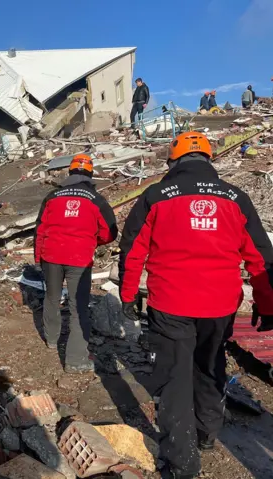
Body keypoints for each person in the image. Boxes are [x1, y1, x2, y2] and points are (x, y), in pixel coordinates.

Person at [118, 132, 273, 479]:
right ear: (209, 160)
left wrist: (128, 296)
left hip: (171, 302)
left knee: (174, 378)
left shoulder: (156, 195)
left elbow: (132, 251)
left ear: (173, 163)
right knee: (211, 364)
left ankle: (182, 462)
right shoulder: (236, 197)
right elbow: (261, 256)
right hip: (220, 305)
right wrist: (267, 303)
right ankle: (206, 434)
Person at [34, 154, 117, 373]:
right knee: (77, 306)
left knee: (52, 297)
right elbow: (110, 232)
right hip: (79, 259)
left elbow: (40, 229)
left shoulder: (52, 195)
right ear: (90, 174)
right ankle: (75, 359)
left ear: (70, 173)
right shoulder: (95, 198)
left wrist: (37, 257)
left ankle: (51, 339)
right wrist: (94, 241)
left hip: (51, 255)